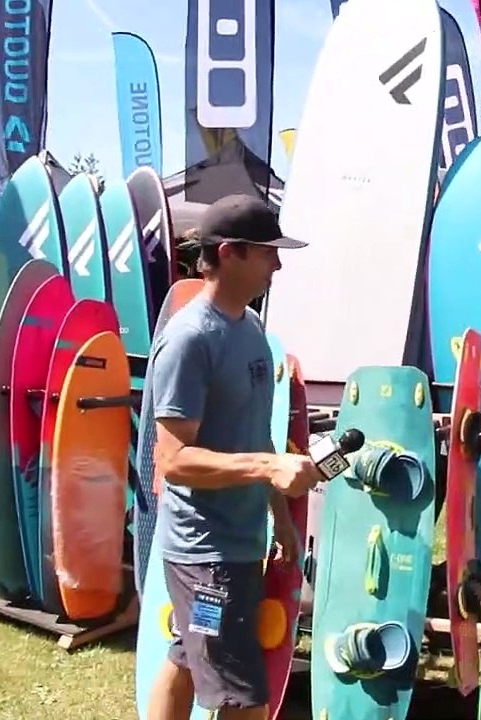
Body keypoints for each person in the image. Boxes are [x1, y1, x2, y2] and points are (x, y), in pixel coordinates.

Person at [145, 194, 322, 720]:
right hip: (205, 556)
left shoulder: (251, 331)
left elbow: (255, 436)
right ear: (228, 253)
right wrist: (269, 469)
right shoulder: (190, 339)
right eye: (268, 252)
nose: (278, 265)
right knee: (244, 697)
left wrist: (279, 518)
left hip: (240, 544)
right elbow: (174, 460)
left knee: (185, 656)